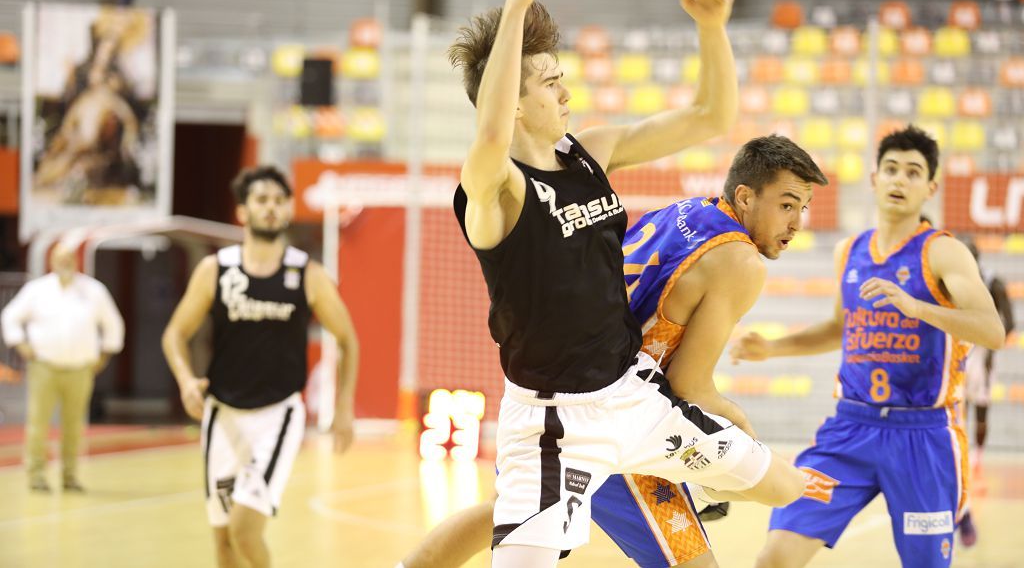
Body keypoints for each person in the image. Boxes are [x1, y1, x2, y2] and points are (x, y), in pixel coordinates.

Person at [444, 0, 803, 567]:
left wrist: (713, 30)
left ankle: (699, 476)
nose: (566, 94)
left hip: (634, 397)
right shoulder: (493, 189)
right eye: (551, 83)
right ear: (516, 104)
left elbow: (709, 117)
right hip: (553, 425)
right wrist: (517, 0)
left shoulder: (590, 153)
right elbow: (491, 131)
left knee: (787, 486)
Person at [401, 135, 828, 568]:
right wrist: (739, 428)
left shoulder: (685, 210)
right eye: (787, 205)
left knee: (500, 516)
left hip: (560, 387)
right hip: (623, 408)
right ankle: (703, 483)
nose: (796, 223)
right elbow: (689, 386)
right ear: (745, 196)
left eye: (803, 208)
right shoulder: (741, 262)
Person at [730, 125, 1006, 568]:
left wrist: (917, 307)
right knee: (775, 557)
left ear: (931, 187)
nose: (900, 179)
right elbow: (841, 328)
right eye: (891, 169)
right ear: (875, 179)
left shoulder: (944, 253)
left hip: (924, 436)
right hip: (850, 430)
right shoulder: (849, 251)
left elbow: (991, 330)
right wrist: (772, 349)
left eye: (913, 172)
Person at [161, 166, 359, 568]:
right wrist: (185, 381)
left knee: (244, 529)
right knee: (223, 543)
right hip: (222, 416)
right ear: (242, 211)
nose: (270, 207)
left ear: (287, 210)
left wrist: (344, 406)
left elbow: (347, 339)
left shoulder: (308, 274)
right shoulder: (216, 269)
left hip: (276, 416)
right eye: (261, 200)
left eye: (278, 200)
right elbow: (174, 334)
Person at [1, 241, 124, 493]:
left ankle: (70, 476)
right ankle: (36, 475)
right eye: (60, 258)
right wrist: (20, 344)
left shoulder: (93, 290)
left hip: (80, 367)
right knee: (38, 422)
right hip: (44, 366)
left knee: (73, 425)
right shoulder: (37, 290)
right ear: (52, 261)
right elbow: (10, 316)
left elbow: (114, 324)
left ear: (76, 261)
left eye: (69, 258)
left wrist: (105, 355)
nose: (65, 262)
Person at [957, 238, 1015, 547]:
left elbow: (1009, 322)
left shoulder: (992, 281)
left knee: (980, 407)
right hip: (958, 350)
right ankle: (962, 455)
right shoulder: (951, 280)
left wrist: (991, 336)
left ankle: (977, 457)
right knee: (956, 407)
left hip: (981, 353)